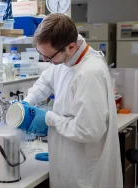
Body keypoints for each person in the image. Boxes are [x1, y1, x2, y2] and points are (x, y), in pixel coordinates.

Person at [23, 13, 123, 188]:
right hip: (67, 159)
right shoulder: (65, 58)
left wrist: (49, 119)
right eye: (41, 54)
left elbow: (89, 131)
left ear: (70, 46)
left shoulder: (89, 72)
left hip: (86, 172)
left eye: (49, 57)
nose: (45, 60)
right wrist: (27, 102)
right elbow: (46, 81)